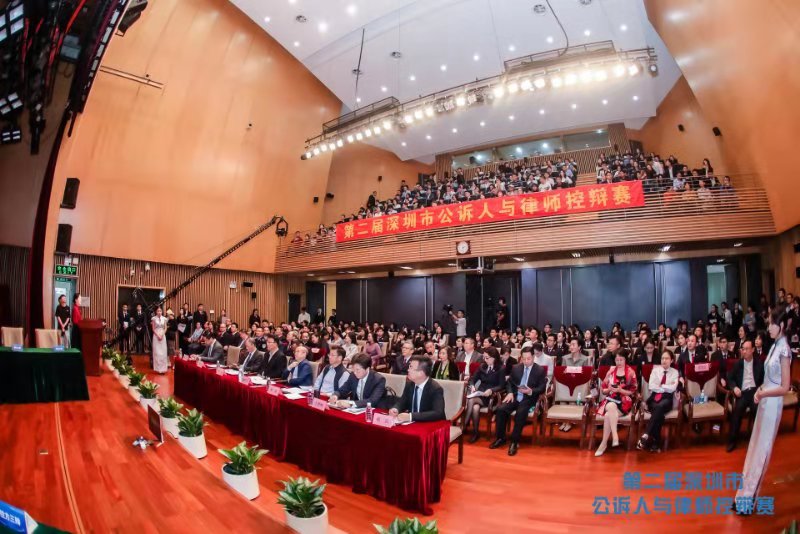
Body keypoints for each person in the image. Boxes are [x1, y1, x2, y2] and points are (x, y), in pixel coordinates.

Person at [734, 309, 793, 514]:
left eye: (771, 324)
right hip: (765, 400)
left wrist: (764, 392)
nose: (768, 328)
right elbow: (769, 379)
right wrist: (761, 389)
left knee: (762, 452)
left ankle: (749, 500)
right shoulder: (775, 346)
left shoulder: (784, 349)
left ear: (782, 326)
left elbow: (785, 387)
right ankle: (742, 495)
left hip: (773, 403)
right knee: (754, 448)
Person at [490, 347, 547, 456]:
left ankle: (514, 442)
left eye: (528, 359)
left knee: (520, 413)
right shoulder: (516, 368)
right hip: (515, 396)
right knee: (501, 409)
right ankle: (500, 438)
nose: (526, 361)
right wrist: (510, 392)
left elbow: (542, 388)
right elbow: (509, 383)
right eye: (524, 359)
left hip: (528, 398)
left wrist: (531, 391)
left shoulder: (539, 370)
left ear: (533, 357)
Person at [594, 353, 638, 457]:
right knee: (611, 405)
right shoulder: (611, 371)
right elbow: (603, 390)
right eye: (617, 360)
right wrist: (609, 389)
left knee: (608, 415)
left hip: (624, 400)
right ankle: (615, 435)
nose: (619, 362)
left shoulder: (631, 372)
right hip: (611, 398)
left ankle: (603, 444)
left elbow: (633, 392)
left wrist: (620, 390)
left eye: (621, 360)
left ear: (625, 360)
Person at [637, 350, 679, 452]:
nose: (664, 360)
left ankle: (646, 434)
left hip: (667, 399)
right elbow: (652, 386)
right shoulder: (655, 370)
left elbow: (673, 388)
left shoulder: (675, 372)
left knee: (659, 407)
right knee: (659, 412)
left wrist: (661, 386)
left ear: (671, 360)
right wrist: (666, 387)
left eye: (667, 358)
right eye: (662, 358)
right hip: (653, 398)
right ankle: (656, 442)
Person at [726, 339, 764, 452]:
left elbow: (764, 380)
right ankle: (732, 441)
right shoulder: (738, 364)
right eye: (743, 349)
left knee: (757, 410)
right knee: (737, 412)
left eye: (747, 349)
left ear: (752, 350)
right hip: (743, 393)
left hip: (754, 392)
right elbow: (730, 378)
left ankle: (757, 440)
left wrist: (760, 389)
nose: (744, 351)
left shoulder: (759, 363)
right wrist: (734, 387)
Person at [465, 348, 505, 443]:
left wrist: (491, 390)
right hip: (480, 393)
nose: (485, 360)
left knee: (471, 400)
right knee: (475, 407)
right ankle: (475, 432)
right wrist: (472, 385)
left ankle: (464, 425)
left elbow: (501, 385)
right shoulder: (482, 366)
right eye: (484, 357)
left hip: (491, 396)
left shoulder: (501, 368)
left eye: (487, 358)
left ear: (494, 358)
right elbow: (472, 379)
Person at [389, 356, 446, 422]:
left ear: (421, 373)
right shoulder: (410, 384)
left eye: (411, 367)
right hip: (413, 423)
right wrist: (396, 409)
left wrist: (411, 416)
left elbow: (438, 413)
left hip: (430, 424)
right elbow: (403, 401)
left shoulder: (435, 389)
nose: (408, 370)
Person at [151, 307, 169, 373]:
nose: (159, 312)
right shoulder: (153, 318)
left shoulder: (164, 318)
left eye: (160, 311)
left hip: (162, 335)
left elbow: (165, 328)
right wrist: (158, 335)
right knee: (157, 352)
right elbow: (153, 329)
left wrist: (162, 335)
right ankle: (158, 369)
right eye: (158, 311)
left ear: (162, 311)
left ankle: (163, 369)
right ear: (156, 312)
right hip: (156, 335)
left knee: (163, 352)